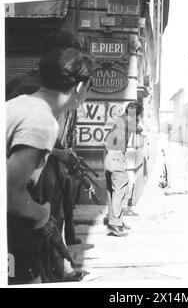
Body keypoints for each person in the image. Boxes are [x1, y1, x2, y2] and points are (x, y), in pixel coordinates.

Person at [6, 47, 95, 284]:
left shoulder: (20, 103)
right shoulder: (42, 121)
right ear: (79, 88)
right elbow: (9, 192)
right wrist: (40, 212)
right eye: (88, 89)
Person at [104, 101, 144, 237]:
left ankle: (115, 220)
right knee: (120, 191)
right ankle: (115, 225)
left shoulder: (120, 118)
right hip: (117, 156)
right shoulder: (131, 120)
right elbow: (140, 130)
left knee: (112, 191)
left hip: (107, 155)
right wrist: (138, 118)